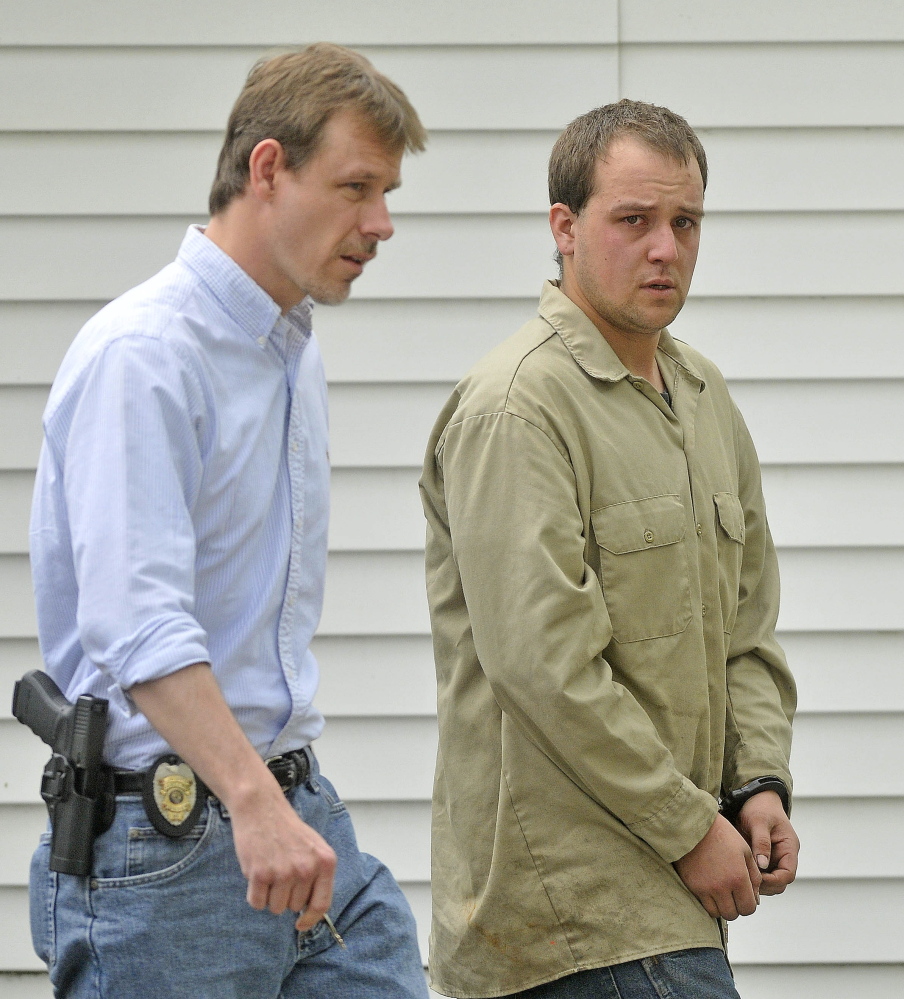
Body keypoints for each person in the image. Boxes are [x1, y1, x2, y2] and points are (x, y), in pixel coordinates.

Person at [28, 43, 429, 999]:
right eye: (356, 186)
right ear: (266, 168)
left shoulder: (290, 353)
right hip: (166, 845)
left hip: (290, 818)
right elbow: (138, 626)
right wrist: (252, 800)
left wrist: (276, 802)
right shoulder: (147, 355)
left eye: (389, 193)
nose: (380, 223)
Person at [420, 99, 799, 999]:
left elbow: (745, 630)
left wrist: (757, 784)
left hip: (674, 904)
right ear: (565, 227)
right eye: (633, 220)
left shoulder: (705, 397)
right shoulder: (518, 407)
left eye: (685, 222)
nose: (665, 247)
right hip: (567, 923)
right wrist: (687, 827)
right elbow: (544, 664)